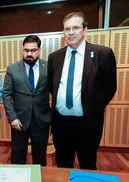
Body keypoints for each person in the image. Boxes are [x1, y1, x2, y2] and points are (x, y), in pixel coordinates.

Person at [48, 12, 117, 170]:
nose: (71, 32)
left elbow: (110, 87)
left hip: (87, 125)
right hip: (61, 124)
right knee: (63, 166)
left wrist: (93, 107)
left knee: (87, 164)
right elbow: (53, 87)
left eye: (76, 27)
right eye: (67, 29)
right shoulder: (54, 57)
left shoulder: (102, 54)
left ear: (85, 30)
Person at [3, 35, 51, 165]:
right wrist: (12, 118)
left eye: (33, 50)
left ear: (39, 50)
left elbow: (56, 91)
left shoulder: (48, 67)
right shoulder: (12, 69)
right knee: (18, 155)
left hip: (41, 120)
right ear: (22, 50)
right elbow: (6, 94)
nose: (29, 53)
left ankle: (41, 181)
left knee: (40, 156)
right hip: (19, 121)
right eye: (26, 50)